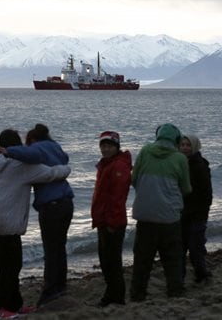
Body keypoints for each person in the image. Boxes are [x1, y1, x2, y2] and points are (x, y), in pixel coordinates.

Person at [0, 129, 71, 319]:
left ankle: (15, 306)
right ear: (18, 146)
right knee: (11, 267)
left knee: (6, 265)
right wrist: (67, 169)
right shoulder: (20, 166)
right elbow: (50, 173)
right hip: (7, 220)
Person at [129, 123, 192, 302]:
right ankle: (175, 291)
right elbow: (186, 188)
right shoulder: (180, 158)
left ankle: (137, 294)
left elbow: (133, 179)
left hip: (145, 214)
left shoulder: (145, 151)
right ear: (176, 140)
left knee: (142, 259)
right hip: (169, 217)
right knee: (172, 259)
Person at [90, 131, 132, 307]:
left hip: (113, 221)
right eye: (103, 146)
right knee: (106, 261)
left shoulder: (119, 166)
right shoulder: (106, 164)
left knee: (112, 262)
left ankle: (116, 297)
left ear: (116, 147)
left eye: (109, 146)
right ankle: (112, 294)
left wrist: (112, 223)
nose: (105, 149)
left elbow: (118, 198)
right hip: (103, 219)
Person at [179, 134, 213, 283]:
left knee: (195, 248)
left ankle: (201, 274)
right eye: (183, 145)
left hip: (197, 214)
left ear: (195, 147)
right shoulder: (178, 163)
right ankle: (179, 278)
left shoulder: (200, 165)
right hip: (181, 213)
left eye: (188, 145)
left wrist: (202, 213)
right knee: (180, 248)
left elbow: (206, 193)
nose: (185, 148)